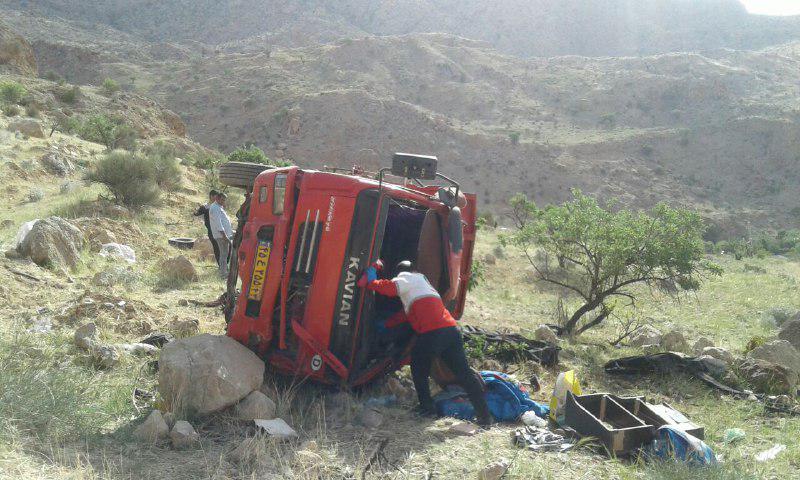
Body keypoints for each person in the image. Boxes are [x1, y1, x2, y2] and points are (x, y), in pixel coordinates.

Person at [360, 260, 493, 426]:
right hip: (451, 331)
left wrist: (372, 281)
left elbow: (389, 288)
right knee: (464, 374)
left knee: (418, 367)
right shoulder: (424, 284)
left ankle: (427, 409)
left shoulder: (407, 278)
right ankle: (485, 417)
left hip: (433, 333)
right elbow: (407, 314)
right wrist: (387, 324)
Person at [208, 192, 233, 278]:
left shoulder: (219, 207)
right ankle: (223, 273)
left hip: (224, 234)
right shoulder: (215, 208)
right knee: (224, 254)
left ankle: (225, 271)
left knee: (225, 254)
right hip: (221, 235)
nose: (223, 201)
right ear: (217, 199)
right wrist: (224, 235)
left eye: (224, 200)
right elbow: (218, 223)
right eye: (222, 199)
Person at [193, 190, 221, 264]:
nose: (217, 198)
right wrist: (196, 208)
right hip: (212, 231)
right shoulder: (205, 206)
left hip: (220, 230)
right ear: (211, 196)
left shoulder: (219, 206)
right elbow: (196, 213)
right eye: (216, 196)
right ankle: (220, 265)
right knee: (217, 249)